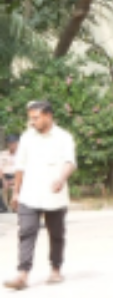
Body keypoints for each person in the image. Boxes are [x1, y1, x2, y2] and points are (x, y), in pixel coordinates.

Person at [3, 101, 77, 291]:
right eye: (31, 118)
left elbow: (70, 162)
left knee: (56, 234)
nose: (32, 121)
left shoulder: (63, 138)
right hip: (30, 194)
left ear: (48, 116)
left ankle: (55, 268)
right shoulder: (27, 138)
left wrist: (61, 178)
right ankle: (23, 274)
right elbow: (20, 167)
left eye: (36, 117)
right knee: (26, 231)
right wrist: (16, 192)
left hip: (54, 194)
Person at [0, 137, 17, 213]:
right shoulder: (2, 154)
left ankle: (14, 205)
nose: (12, 145)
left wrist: (14, 180)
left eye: (13, 144)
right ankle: (3, 206)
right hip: (4, 176)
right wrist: (3, 180)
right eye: (10, 144)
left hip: (16, 176)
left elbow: (22, 170)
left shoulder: (21, 155)